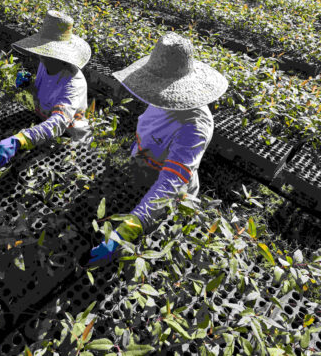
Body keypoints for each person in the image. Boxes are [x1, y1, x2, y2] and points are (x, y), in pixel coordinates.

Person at [88, 32, 228, 265]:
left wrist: (126, 231)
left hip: (167, 200)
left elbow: (170, 184)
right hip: (142, 176)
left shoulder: (194, 127)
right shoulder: (160, 99)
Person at [0, 10, 91, 170]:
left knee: (27, 173)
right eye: (43, 52)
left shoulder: (74, 83)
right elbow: (47, 94)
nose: (42, 57)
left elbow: (59, 123)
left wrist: (18, 140)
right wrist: (30, 86)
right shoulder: (46, 63)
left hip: (66, 136)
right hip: (41, 120)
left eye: (47, 53)